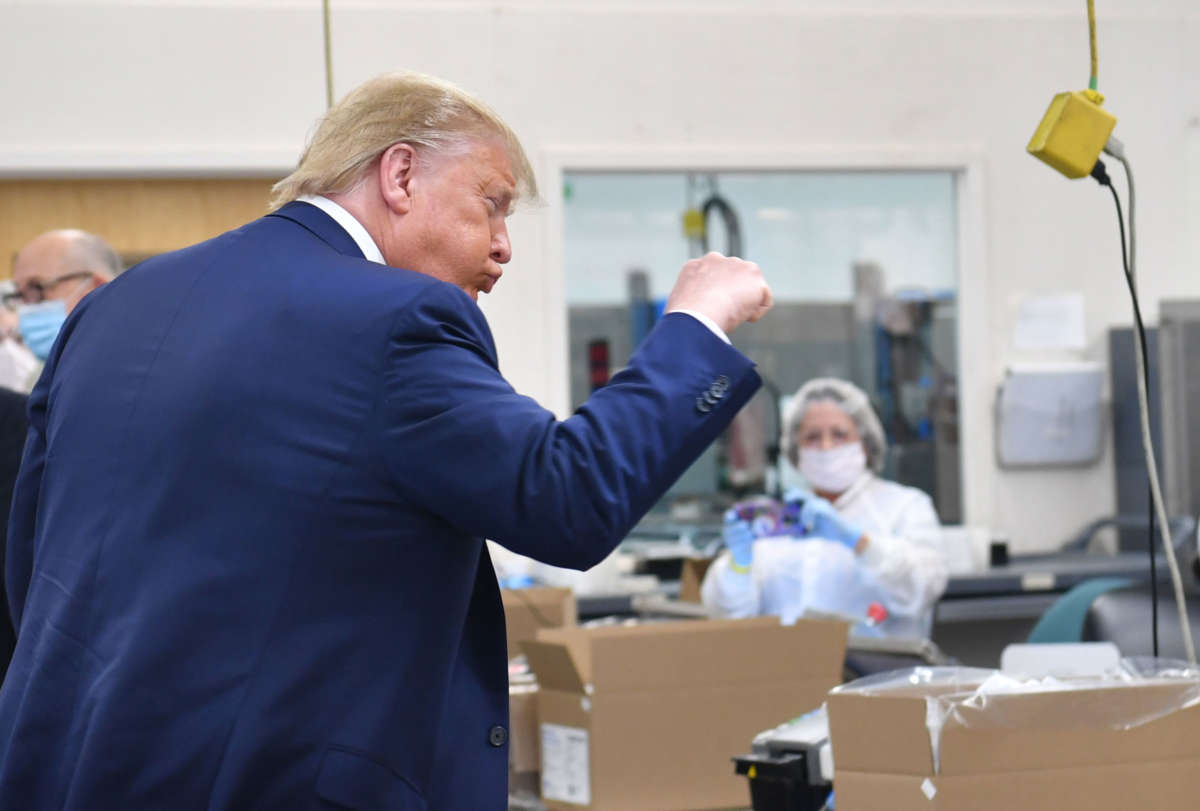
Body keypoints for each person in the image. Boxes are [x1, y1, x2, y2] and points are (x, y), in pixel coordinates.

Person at [0, 72, 771, 809]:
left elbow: (32, 556)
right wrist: (694, 326)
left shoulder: (115, 309)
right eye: (492, 204)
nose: (504, 247)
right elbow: (565, 494)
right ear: (399, 174)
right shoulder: (396, 319)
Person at [701, 377, 947, 638]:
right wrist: (739, 567)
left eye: (840, 435)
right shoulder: (779, 521)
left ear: (865, 441)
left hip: (879, 675)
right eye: (812, 437)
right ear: (795, 449)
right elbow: (728, 618)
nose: (826, 447)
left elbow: (924, 589)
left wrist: (859, 542)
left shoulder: (904, 507)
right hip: (787, 672)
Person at [10, 229, 120, 365]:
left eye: (36, 287)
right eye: (19, 294)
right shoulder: (41, 377)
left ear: (97, 289)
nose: (24, 306)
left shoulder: (136, 370)